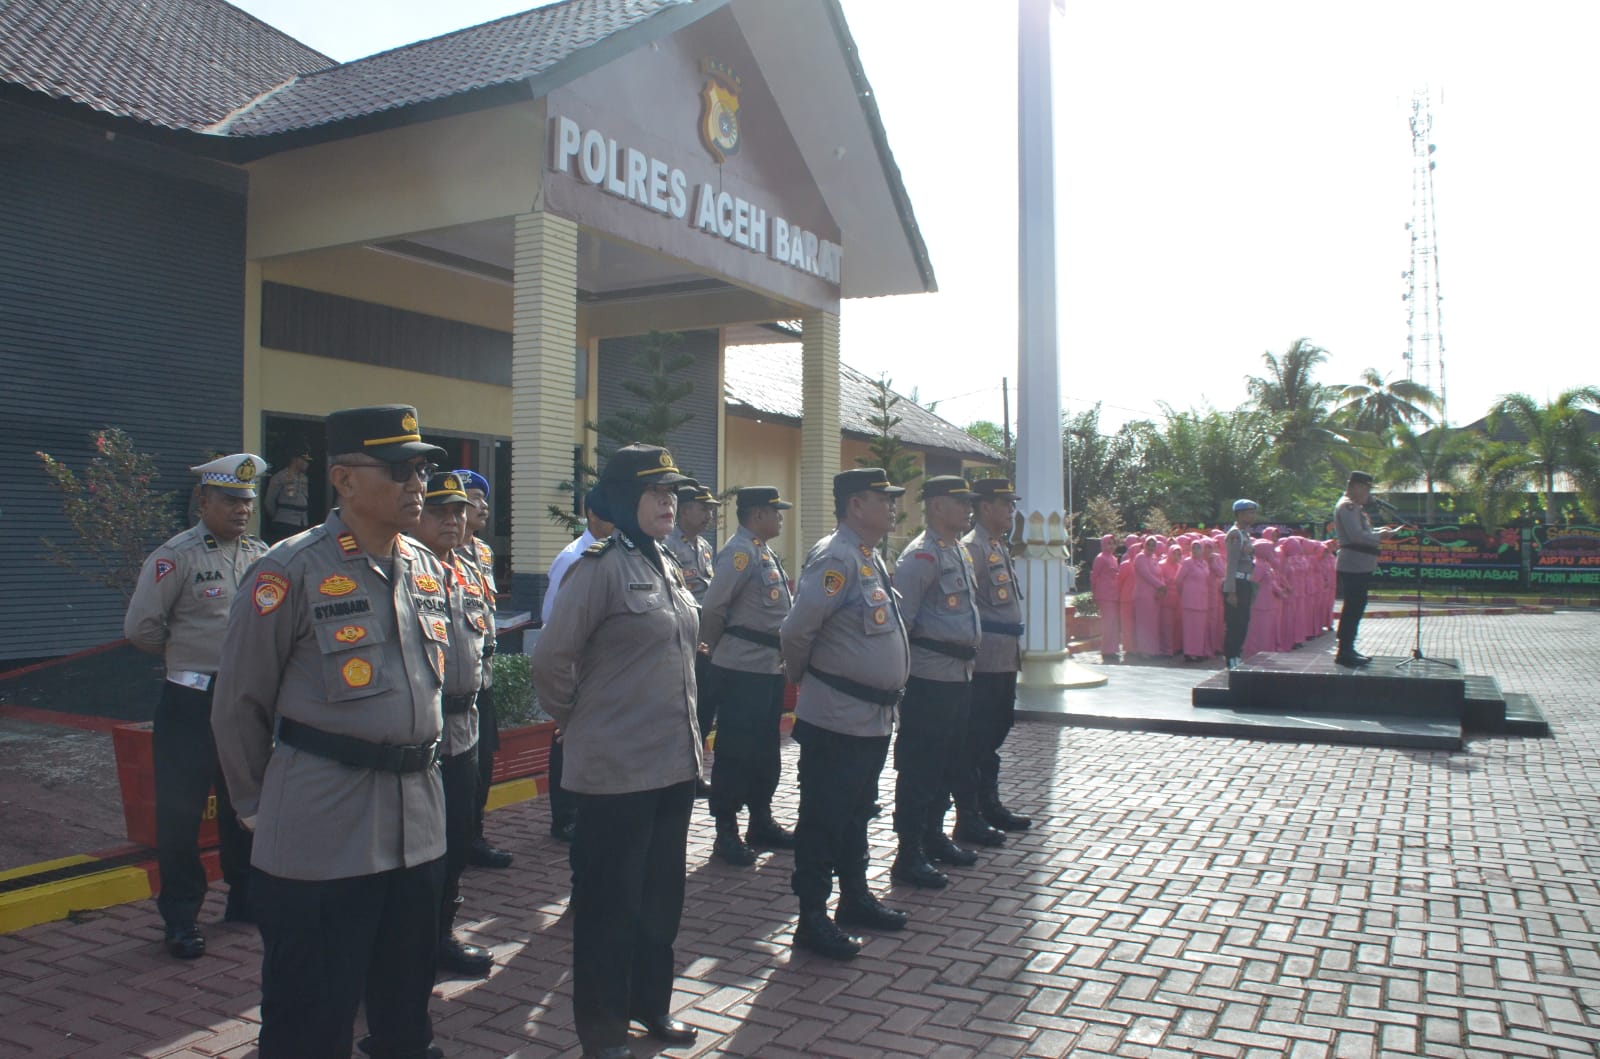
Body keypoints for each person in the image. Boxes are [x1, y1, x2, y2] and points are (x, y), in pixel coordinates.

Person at [211, 404, 450, 1059]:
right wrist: (257, 808)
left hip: (417, 829)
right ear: (343, 480)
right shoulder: (288, 570)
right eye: (400, 467)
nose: (418, 481)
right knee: (311, 1020)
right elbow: (238, 703)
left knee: (405, 1017)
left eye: (423, 466)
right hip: (323, 832)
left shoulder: (427, 568)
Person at [530, 444, 701, 1059]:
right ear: (624, 500)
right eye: (657, 493)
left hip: (671, 768)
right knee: (609, 906)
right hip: (615, 773)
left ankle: (649, 1005)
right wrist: (579, 721)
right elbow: (550, 661)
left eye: (673, 493)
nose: (669, 502)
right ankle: (602, 1030)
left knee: (660, 901)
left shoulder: (666, 564)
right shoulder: (598, 568)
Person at [124, 452, 269, 959]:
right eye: (230, 500)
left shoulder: (259, 556)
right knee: (181, 815)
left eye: (247, 502)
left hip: (243, 701)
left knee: (244, 805)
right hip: (189, 701)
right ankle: (181, 917)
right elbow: (141, 628)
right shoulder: (176, 556)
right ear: (203, 500)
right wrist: (188, 654)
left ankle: (245, 900)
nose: (241, 510)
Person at [779, 468, 912, 961]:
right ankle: (811, 917)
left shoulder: (867, 556)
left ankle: (853, 898)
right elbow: (796, 631)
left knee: (856, 813)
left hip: (870, 718)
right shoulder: (836, 557)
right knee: (823, 818)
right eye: (885, 498)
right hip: (836, 716)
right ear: (857, 505)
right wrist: (803, 679)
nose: (894, 506)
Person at [412, 472, 496, 979]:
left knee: (457, 838)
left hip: (465, 724)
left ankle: (441, 934)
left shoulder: (464, 568)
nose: (453, 520)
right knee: (418, 850)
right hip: (423, 730)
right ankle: (408, 944)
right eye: (439, 511)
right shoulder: (400, 568)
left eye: (459, 511)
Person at [696, 486, 795, 866]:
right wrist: (713, 652)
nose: (781, 517)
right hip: (741, 668)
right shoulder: (739, 553)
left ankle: (761, 820)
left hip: (768, 667)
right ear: (757, 515)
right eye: (776, 511)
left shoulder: (761, 550)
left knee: (765, 751)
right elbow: (715, 608)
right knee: (737, 751)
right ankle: (726, 832)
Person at [540, 487, 615, 844]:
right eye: (610, 514)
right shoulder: (574, 557)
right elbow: (553, 619)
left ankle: (583, 808)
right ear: (592, 516)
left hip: (601, 669)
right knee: (563, 739)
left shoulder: (615, 555)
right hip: (576, 666)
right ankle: (564, 816)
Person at [962, 477, 1032, 833]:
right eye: (1005, 504)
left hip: (1004, 658)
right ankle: (970, 813)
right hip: (985, 660)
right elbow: (965, 608)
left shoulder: (997, 545)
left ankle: (989, 804)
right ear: (985, 506)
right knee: (978, 737)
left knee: (997, 730)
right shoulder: (972, 548)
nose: (1011, 511)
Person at [454, 468, 514, 870]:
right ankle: (454, 842)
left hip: (483, 673)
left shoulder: (484, 553)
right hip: (452, 679)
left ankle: (473, 836)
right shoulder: (433, 552)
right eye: (472, 498)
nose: (483, 505)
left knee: (482, 766)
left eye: (482, 498)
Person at [665, 480, 720, 797]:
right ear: (684, 510)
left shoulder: (703, 547)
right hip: (683, 639)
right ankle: (681, 775)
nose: (708, 516)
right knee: (682, 710)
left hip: (705, 639)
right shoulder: (669, 546)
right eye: (703, 509)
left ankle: (695, 772)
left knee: (703, 709)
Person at [1333, 470, 1396, 667]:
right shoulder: (1348, 506)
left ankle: (1348, 648)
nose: (1368, 494)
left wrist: (1379, 532)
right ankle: (1345, 650)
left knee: (1356, 606)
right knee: (1353, 607)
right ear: (1357, 487)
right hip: (1353, 564)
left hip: (1358, 563)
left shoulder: (1355, 507)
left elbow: (1363, 532)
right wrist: (1381, 537)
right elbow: (1356, 536)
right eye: (1367, 488)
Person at [1221, 499, 1258, 669]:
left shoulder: (1245, 534)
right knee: (1235, 623)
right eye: (1249, 512)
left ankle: (1236, 654)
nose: (1252, 515)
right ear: (1240, 514)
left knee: (1243, 623)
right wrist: (1231, 592)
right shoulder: (1235, 534)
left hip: (1245, 582)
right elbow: (1231, 564)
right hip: (1236, 582)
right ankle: (1231, 657)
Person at [262, 451, 311, 543]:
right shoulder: (280, 477)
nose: (307, 464)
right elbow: (269, 501)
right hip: (285, 523)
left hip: (302, 522)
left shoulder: (304, 478)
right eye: (304, 460)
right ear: (295, 460)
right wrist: (278, 517)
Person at [1090, 533, 1121, 663]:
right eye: (1109, 543)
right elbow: (1094, 576)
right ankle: (1106, 650)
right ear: (1103, 544)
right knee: (1107, 623)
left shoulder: (1114, 558)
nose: (1111, 546)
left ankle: (1112, 649)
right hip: (1104, 594)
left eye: (1113, 543)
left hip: (1114, 594)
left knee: (1114, 623)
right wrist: (1095, 593)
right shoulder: (1100, 558)